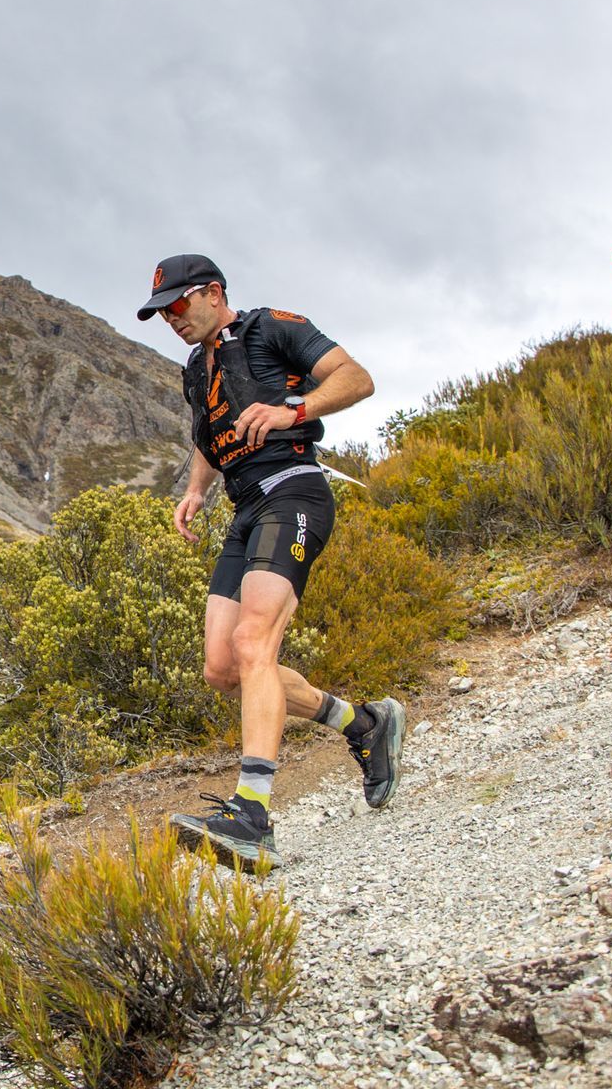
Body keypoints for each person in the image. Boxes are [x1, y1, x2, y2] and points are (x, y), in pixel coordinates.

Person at [137, 253, 402, 868]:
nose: (171, 319)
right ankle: (364, 725)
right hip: (245, 509)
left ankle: (252, 814)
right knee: (224, 668)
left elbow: (357, 378)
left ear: (211, 293)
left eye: (178, 305)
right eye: (161, 312)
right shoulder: (194, 370)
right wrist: (197, 490)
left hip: (295, 490)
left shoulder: (272, 327)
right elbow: (208, 436)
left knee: (256, 643)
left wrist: (295, 411)